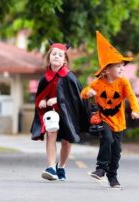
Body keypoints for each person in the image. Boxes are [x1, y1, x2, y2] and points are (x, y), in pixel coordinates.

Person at [81, 31, 139, 188]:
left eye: (122, 65)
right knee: (107, 139)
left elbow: (132, 96)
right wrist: (89, 92)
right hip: (104, 119)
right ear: (106, 70)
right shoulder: (98, 83)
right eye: (118, 66)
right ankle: (100, 168)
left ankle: (112, 176)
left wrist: (135, 110)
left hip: (119, 122)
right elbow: (83, 93)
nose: (122, 68)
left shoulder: (123, 82)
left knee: (116, 151)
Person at [30, 41, 90, 181]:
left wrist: (58, 100)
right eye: (54, 54)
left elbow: (76, 98)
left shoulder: (70, 77)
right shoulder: (45, 78)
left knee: (66, 141)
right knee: (51, 133)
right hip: (51, 114)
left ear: (65, 60)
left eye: (60, 55)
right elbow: (39, 98)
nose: (56, 57)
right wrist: (42, 101)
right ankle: (51, 167)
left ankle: (61, 166)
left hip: (67, 114)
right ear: (49, 57)